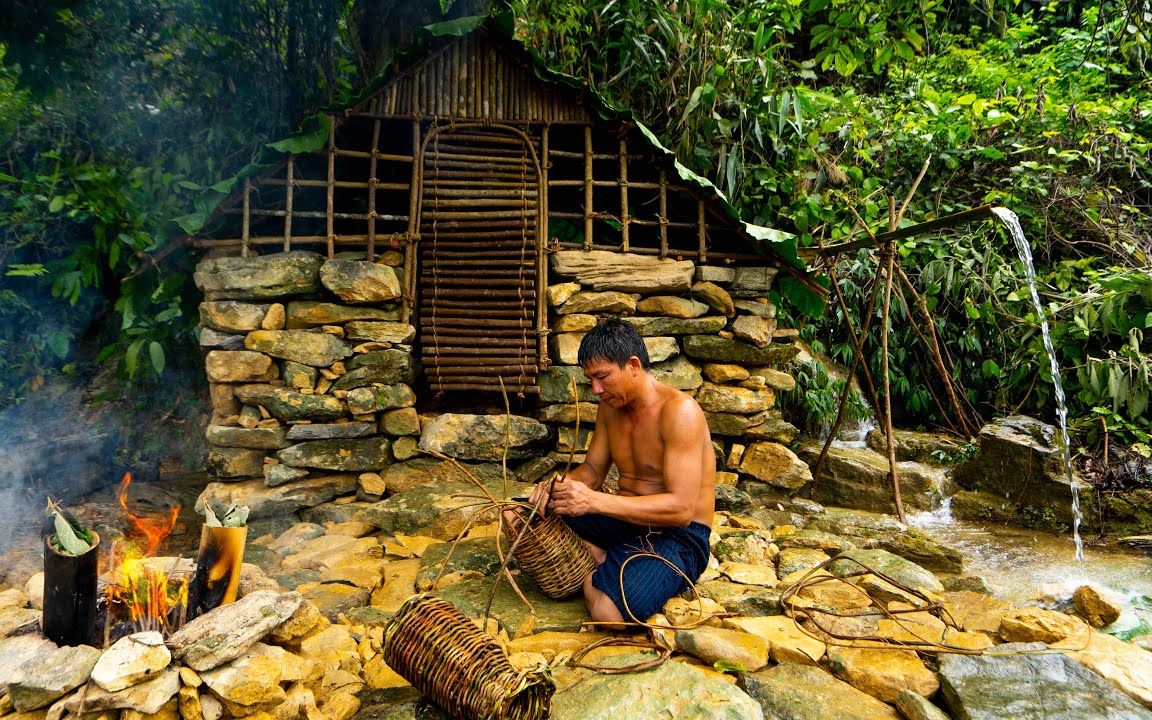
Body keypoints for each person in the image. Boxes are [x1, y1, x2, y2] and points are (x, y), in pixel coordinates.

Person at [531, 318, 715, 624]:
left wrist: (592, 502)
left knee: (609, 614)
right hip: (623, 520)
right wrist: (556, 487)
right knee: (521, 514)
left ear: (633, 365)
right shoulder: (610, 407)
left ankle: (599, 567)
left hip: (678, 535)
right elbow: (591, 470)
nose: (596, 389)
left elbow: (681, 509)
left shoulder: (679, 411)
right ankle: (610, 559)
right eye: (590, 379)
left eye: (602, 377)